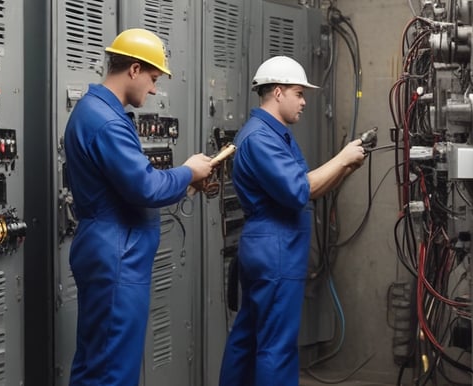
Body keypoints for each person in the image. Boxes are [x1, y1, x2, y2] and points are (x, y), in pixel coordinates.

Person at [63, 28, 213, 386]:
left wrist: (182, 182)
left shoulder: (96, 111)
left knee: (95, 361)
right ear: (133, 69)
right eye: (152, 78)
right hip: (116, 254)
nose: (154, 89)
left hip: (108, 248)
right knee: (113, 368)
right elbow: (144, 186)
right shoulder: (107, 121)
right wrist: (188, 171)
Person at [218, 55, 366, 386]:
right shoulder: (261, 139)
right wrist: (341, 158)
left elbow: (307, 189)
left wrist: (344, 167)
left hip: (271, 247)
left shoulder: (273, 135)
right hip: (276, 250)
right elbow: (300, 190)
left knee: (249, 338)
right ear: (279, 92)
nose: (303, 102)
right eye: (299, 94)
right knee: (277, 347)